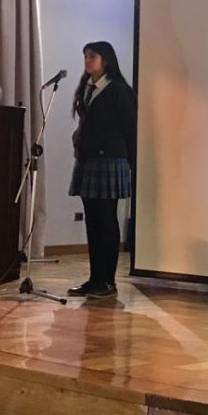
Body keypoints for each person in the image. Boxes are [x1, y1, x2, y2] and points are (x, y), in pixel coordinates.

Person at [67, 41, 136, 299]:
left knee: (106, 220)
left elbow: (131, 128)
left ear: (106, 60)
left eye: (93, 56)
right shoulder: (87, 88)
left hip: (111, 160)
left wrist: (132, 163)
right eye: (85, 56)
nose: (88, 60)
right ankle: (95, 278)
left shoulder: (118, 90)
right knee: (92, 220)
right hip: (88, 159)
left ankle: (107, 281)